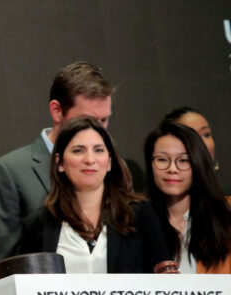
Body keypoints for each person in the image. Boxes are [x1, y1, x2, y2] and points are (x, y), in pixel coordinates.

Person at [0, 62, 113, 280]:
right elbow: (5, 267)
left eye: (104, 120)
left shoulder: (112, 168)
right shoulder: (10, 171)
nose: (97, 129)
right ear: (56, 110)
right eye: (88, 119)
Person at [18, 117, 169, 273]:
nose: (89, 159)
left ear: (109, 161)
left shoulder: (141, 215)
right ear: (59, 162)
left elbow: (163, 280)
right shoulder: (38, 224)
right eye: (78, 151)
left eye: (98, 150)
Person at [144, 122, 231, 273]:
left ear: (198, 163)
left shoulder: (226, 215)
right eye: (162, 159)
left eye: (183, 160)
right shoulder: (134, 222)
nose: (172, 169)